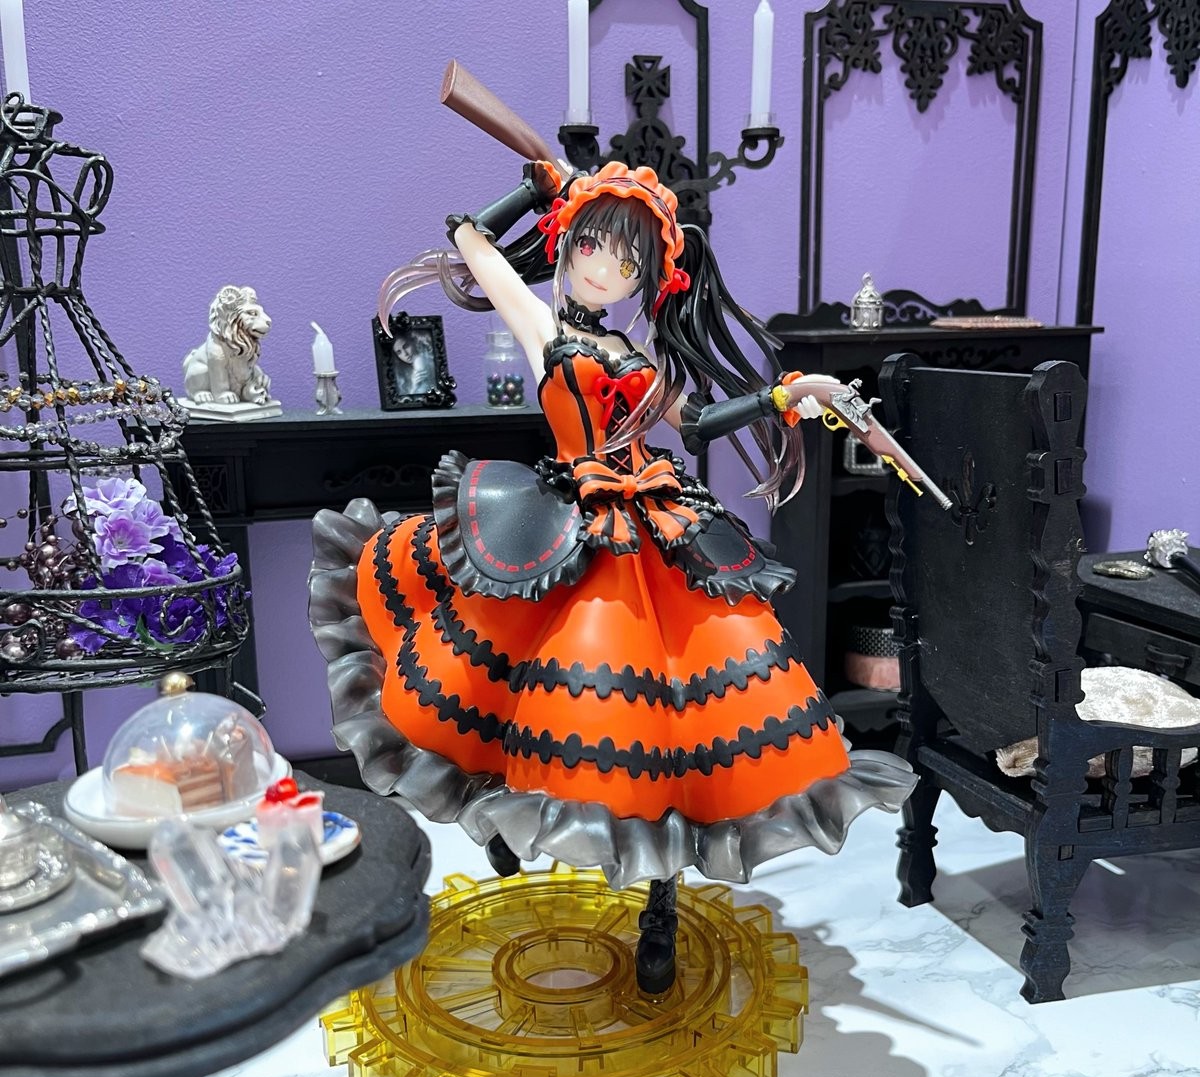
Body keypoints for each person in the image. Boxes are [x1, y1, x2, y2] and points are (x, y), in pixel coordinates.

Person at [310, 161, 915, 993]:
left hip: (655, 524)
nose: (605, 270)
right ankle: (500, 810)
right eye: (593, 246)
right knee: (510, 682)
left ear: (648, 279)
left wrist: (784, 396)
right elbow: (467, 235)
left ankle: (660, 897)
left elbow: (696, 424)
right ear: (567, 241)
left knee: (681, 712)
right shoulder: (543, 325)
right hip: (569, 518)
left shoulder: (635, 352)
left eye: (629, 263)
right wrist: (535, 187)